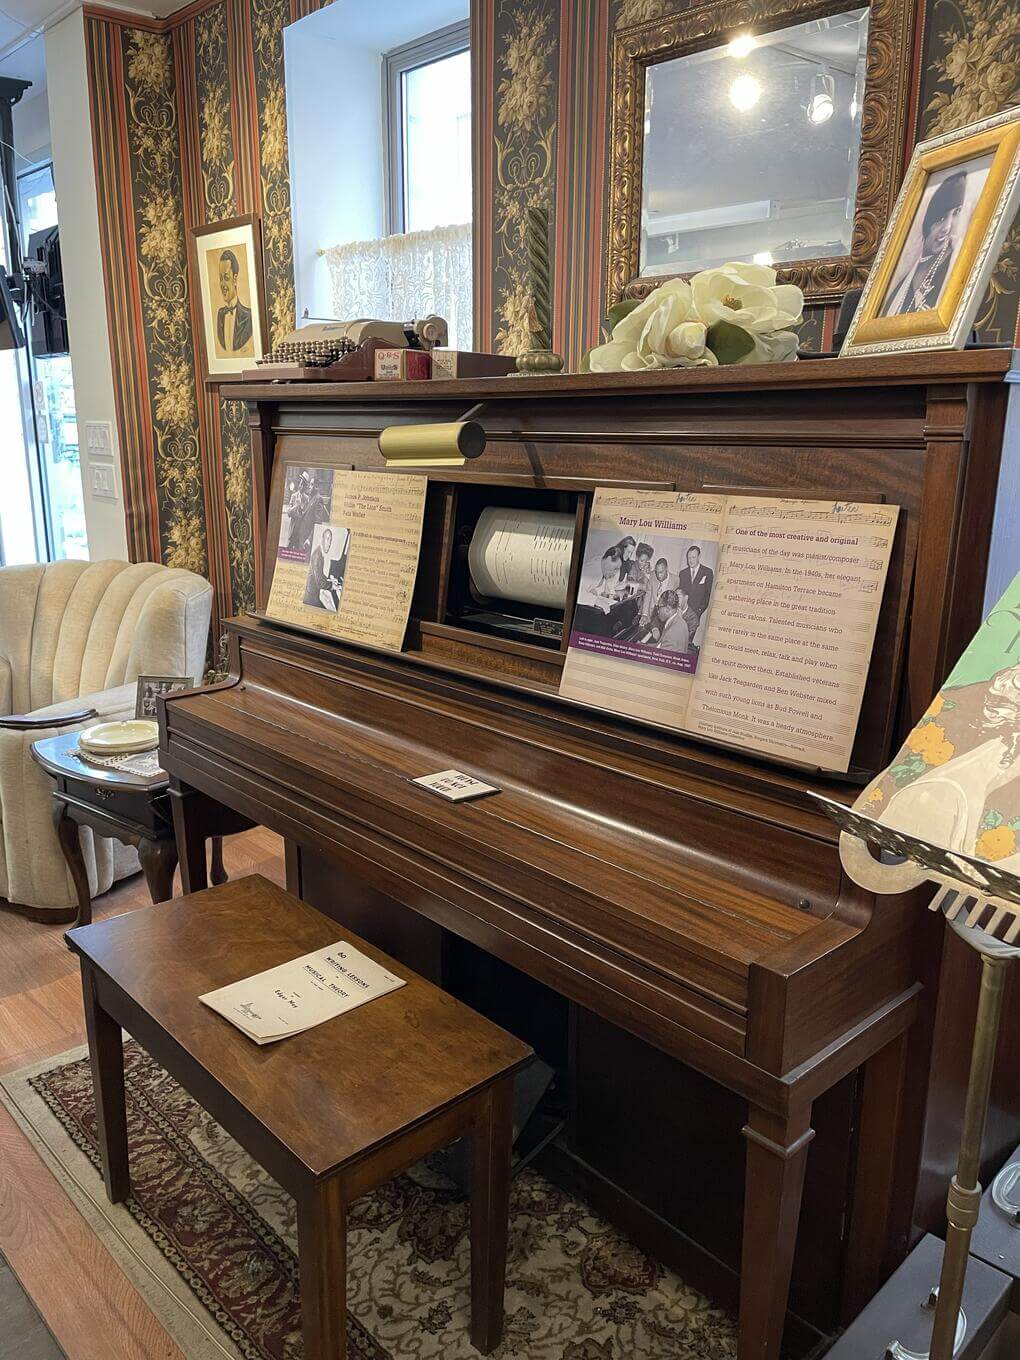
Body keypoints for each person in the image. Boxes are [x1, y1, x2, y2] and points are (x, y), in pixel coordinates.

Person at [884, 171, 967, 316]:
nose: (947, 227)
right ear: (926, 222)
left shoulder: (958, 267)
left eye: (956, 212)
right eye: (940, 218)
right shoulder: (899, 288)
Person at [216, 248, 254, 354]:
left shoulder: (248, 316)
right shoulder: (220, 314)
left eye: (226, 278)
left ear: (235, 278)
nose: (223, 284)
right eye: (220, 278)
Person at [303, 527, 343, 609]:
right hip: (311, 596)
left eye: (330, 540)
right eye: (327, 539)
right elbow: (320, 582)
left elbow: (319, 575)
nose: (329, 543)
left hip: (314, 591)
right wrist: (332, 586)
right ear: (322, 539)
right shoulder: (317, 556)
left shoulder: (320, 553)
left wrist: (330, 580)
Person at [677, 545, 714, 620]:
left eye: (693, 557)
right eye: (689, 558)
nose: (691, 560)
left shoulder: (707, 572)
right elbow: (681, 593)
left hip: (696, 614)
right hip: (682, 613)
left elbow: (708, 595)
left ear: (699, 557)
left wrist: (699, 610)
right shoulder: (683, 573)